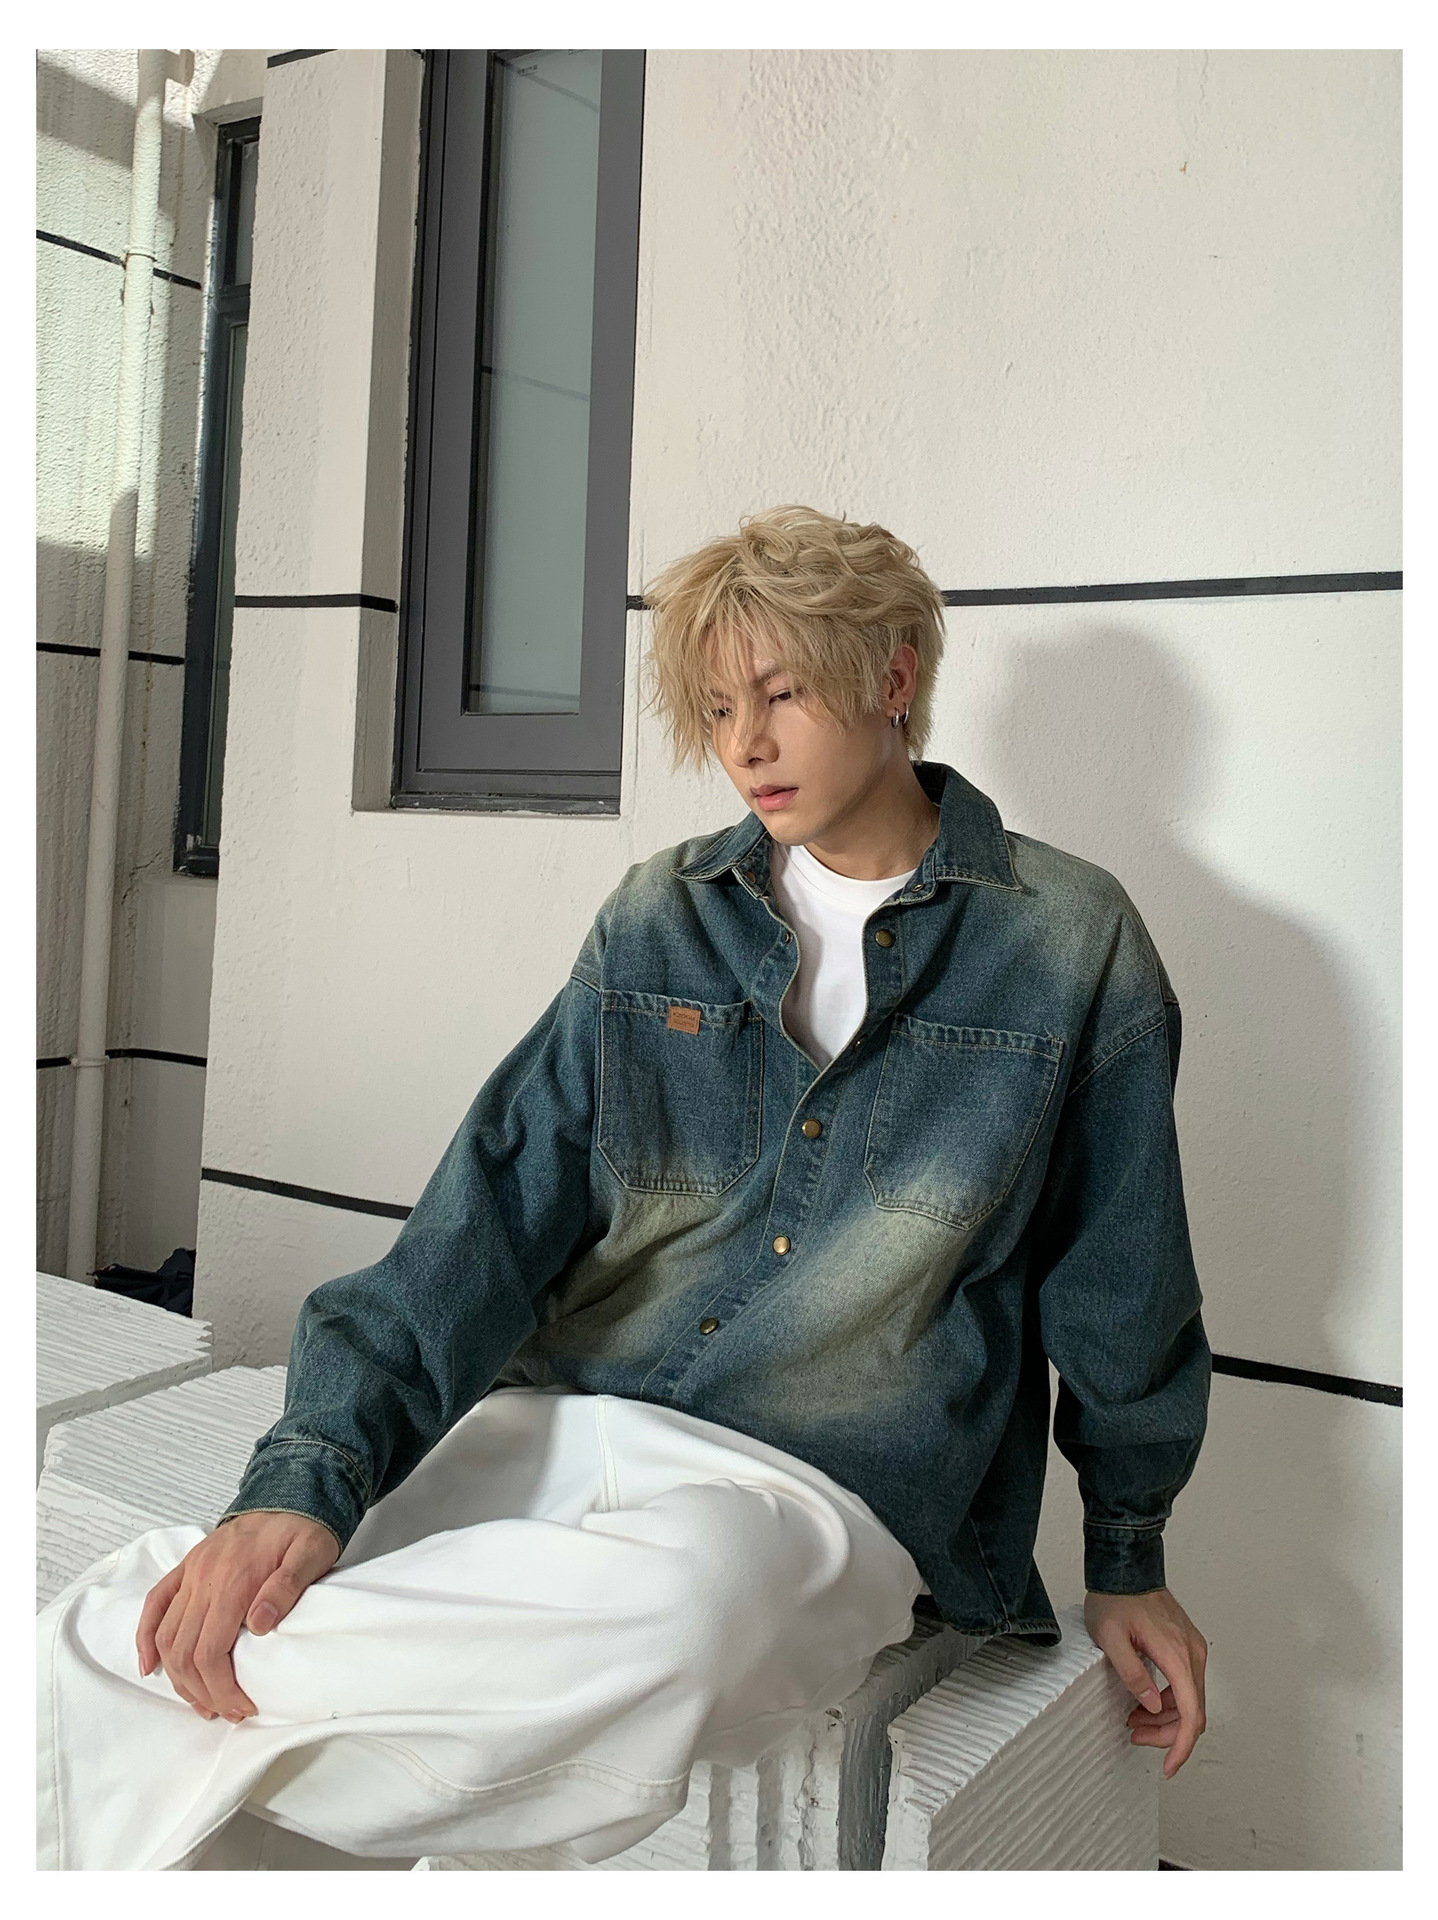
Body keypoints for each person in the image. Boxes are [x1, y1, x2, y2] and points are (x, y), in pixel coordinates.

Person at [38, 505, 1210, 1870]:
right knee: (271, 1600)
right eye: (716, 709)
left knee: (681, 1623)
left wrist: (1128, 1557)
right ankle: (118, 1689)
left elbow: (1122, 1278)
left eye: (780, 694)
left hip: (814, 1491)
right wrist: (300, 1483)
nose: (744, 744)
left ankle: (100, 1685)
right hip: (567, 1416)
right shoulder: (661, 916)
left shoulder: (1068, 944)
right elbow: (487, 1216)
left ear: (893, 677)